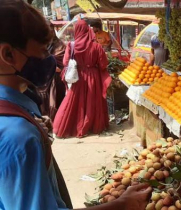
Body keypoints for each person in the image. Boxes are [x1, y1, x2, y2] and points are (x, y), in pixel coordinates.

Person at [0, 1, 152, 210]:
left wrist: (32, 124)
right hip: (91, 81)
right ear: (8, 55)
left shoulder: (16, 117)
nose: (49, 59)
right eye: (44, 51)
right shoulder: (20, 138)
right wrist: (122, 204)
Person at [53, 20, 112, 138]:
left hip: (78, 77)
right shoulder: (96, 46)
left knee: (74, 100)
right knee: (92, 100)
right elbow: (103, 64)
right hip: (93, 77)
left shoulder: (71, 45)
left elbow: (65, 62)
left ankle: (69, 126)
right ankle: (92, 126)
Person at [36, 20, 66, 122]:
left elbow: (64, 61)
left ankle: (57, 122)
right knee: (43, 101)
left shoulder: (60, 44)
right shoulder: (37, 44)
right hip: (43, 77)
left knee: (56, 100)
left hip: (56, 78)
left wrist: (54, 64)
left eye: (50, 30)